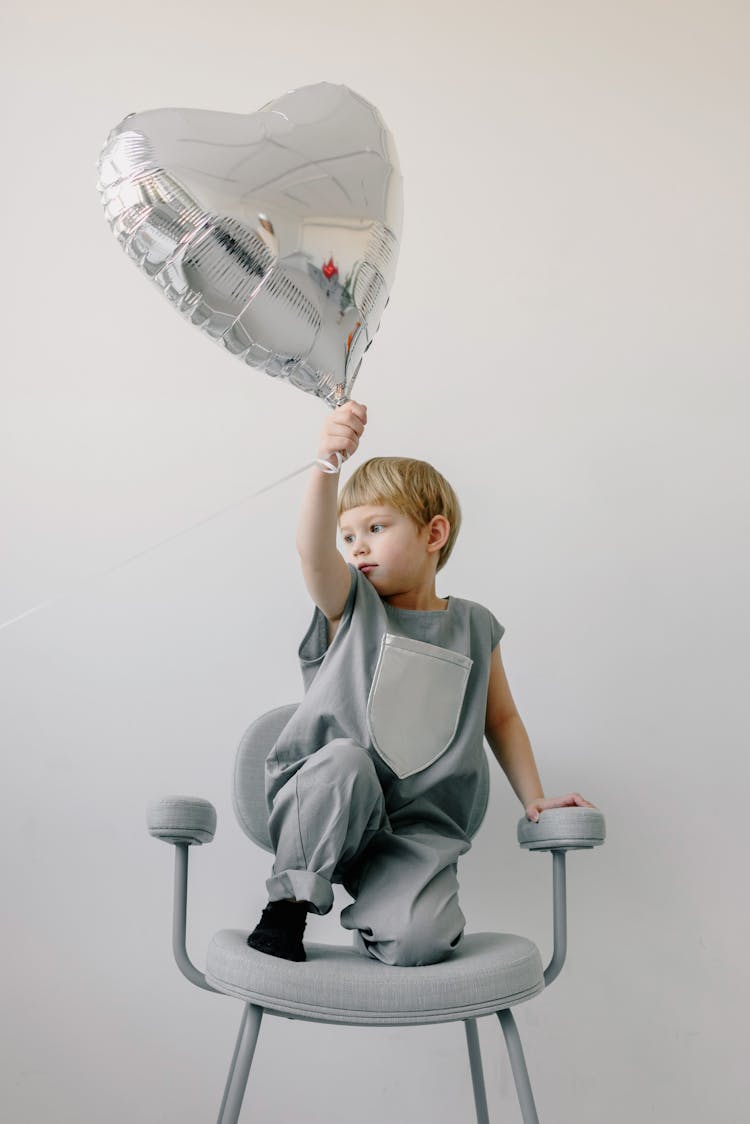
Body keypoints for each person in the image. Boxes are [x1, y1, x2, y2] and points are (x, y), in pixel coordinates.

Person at [247, 400, 594, 965]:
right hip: (330, 797)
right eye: (348, 534)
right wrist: (327, 463)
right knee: (344, 763)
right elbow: (312, 553)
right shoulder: (351, 605)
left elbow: (500, 718)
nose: (356, 546)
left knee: (421, 943)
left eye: (375, 528)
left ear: (434, 533)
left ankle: (385, 908)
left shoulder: (475, 626)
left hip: (413, 828)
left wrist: (534, 798)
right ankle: (288, 907)